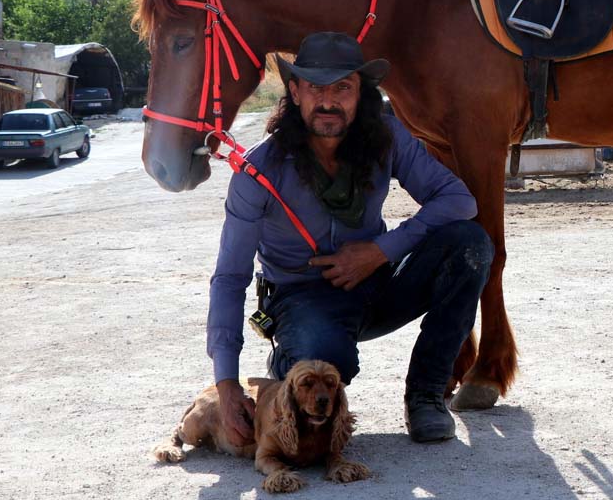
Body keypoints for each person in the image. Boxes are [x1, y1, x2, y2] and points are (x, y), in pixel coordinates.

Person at [208, 31, 493, 444]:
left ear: (361, 93)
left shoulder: (388, 137)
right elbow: (230, 277)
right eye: (315, 88)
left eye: (343, 88)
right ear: (294, 91)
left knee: (470, 245)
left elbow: (457, 201)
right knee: (329, 362)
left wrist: (381, 250)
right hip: (301, 298)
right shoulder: (260, 170)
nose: (329, 101)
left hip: (378, 282)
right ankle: (291, 356)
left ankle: (426, 394)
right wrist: (227, 383)